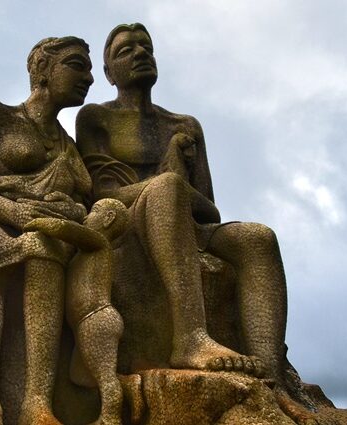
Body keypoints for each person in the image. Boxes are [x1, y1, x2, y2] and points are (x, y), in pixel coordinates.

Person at [76, 23, 317, 423]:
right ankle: (190, 338)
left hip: (187, 223)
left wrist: (173, 174)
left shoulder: (184, 125)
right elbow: (99, 194)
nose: (140, 54)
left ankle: (271, 381)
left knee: (257, 237)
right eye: (125, 51)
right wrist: (168, 172)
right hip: (127, 220)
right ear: (108, 73)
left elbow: (209, 209)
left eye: (146, 47)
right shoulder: (96, 118)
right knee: (169, 185)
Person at [0, 36, 94, 425]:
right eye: (77, 65)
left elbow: (87, 203)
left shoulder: (71, 144)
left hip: (50, 233)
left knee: (43, 249)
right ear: (43, 69)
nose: (90, 77)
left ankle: (37, 401)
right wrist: (17, 213)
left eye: (90, 68)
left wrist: (68, 212)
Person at [24, 198, 129, 425]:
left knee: (104, 377)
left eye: (94, 212)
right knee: (79, 376)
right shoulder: (82, 254)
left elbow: (67, 229)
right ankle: (130, 390)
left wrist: (39, 222)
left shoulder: (99, 242)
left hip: (96, 317)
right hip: (85, 323)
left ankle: (111, 418)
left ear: (108, 219)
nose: (86, 217)